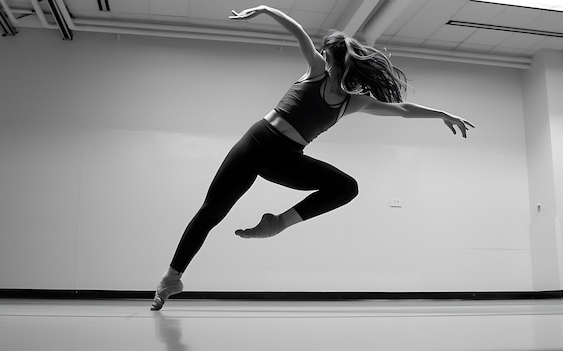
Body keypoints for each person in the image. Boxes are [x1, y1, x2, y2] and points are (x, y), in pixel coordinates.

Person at [150, 5, 474, 311]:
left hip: (286, 158)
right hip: (256, 143)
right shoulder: (315, 72)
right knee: (211, 211)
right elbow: (297, 30)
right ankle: (171, 278)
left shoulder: (353, 101)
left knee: (346, 187)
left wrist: (440, 113)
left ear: (333, 58)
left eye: (324, 51)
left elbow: (402, 110)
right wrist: (265, 9)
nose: (318, 54)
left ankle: (277, 224)